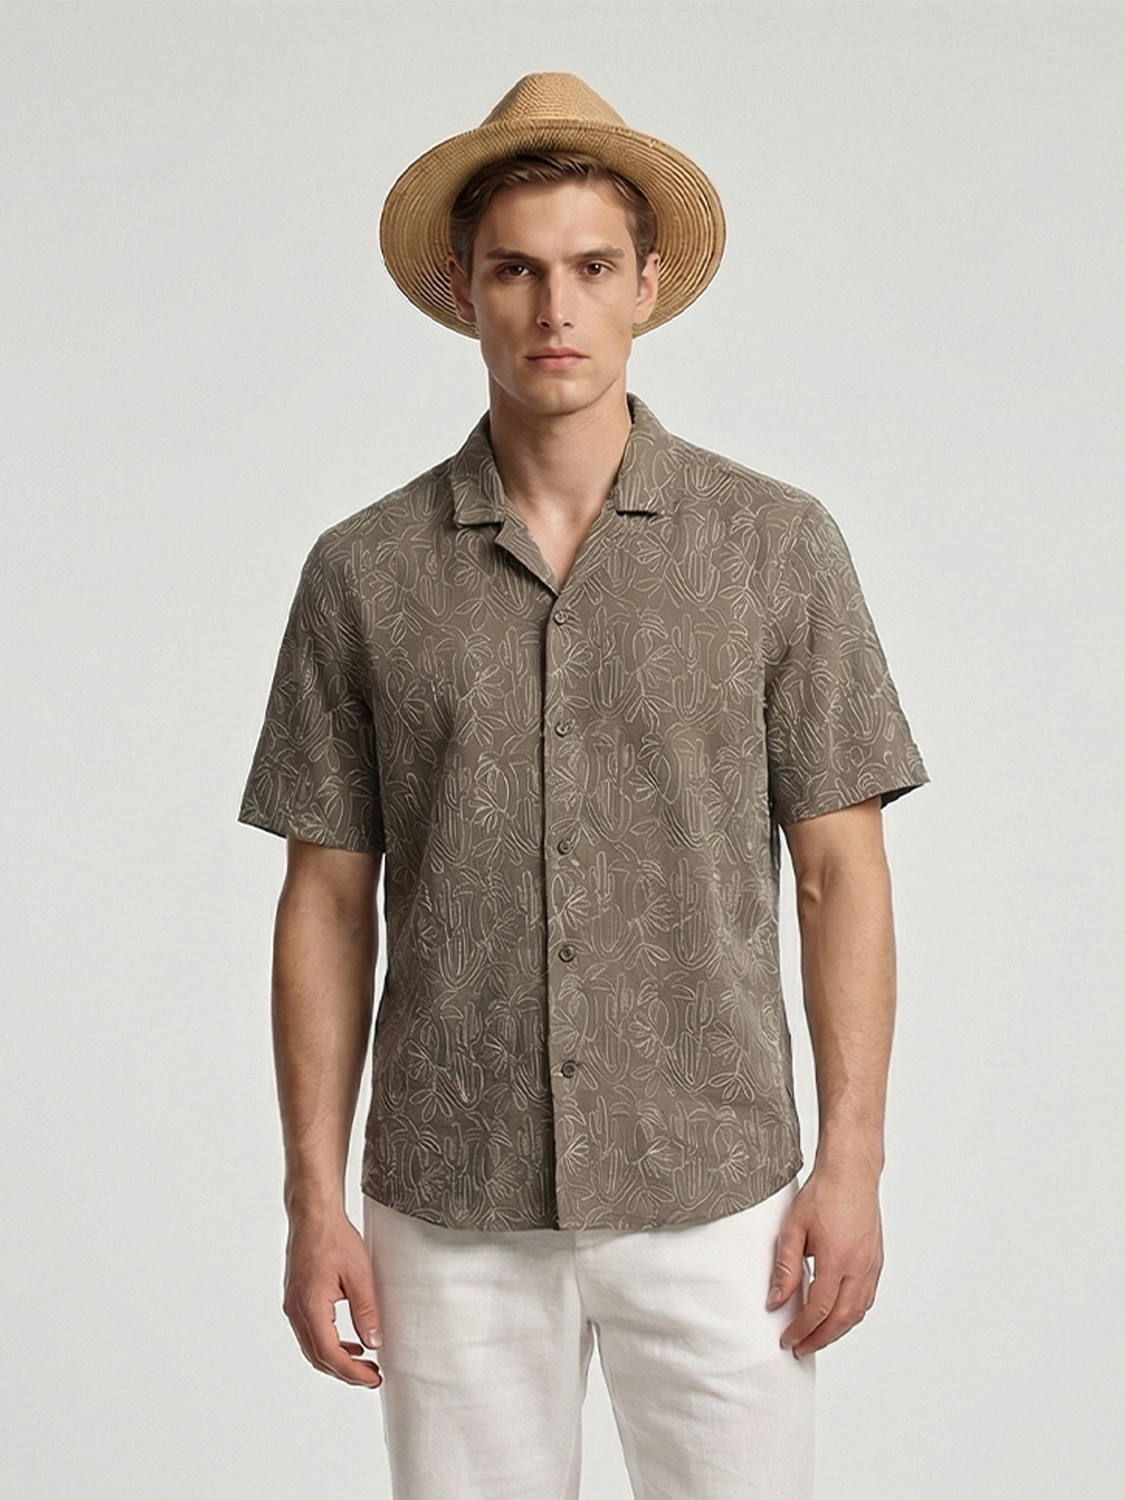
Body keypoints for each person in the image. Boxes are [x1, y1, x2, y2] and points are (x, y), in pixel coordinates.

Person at [240, 72, 927, 1500]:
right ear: (463, 288)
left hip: (719, 1197)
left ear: (647, 286)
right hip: (451, 1200)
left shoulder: (773, 546)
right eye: (516, 270)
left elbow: (838, 871)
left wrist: (852, 1163)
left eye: (593, 268)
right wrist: (313, 1197)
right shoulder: (362, 572)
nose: (555, 309)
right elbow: (326, 901)